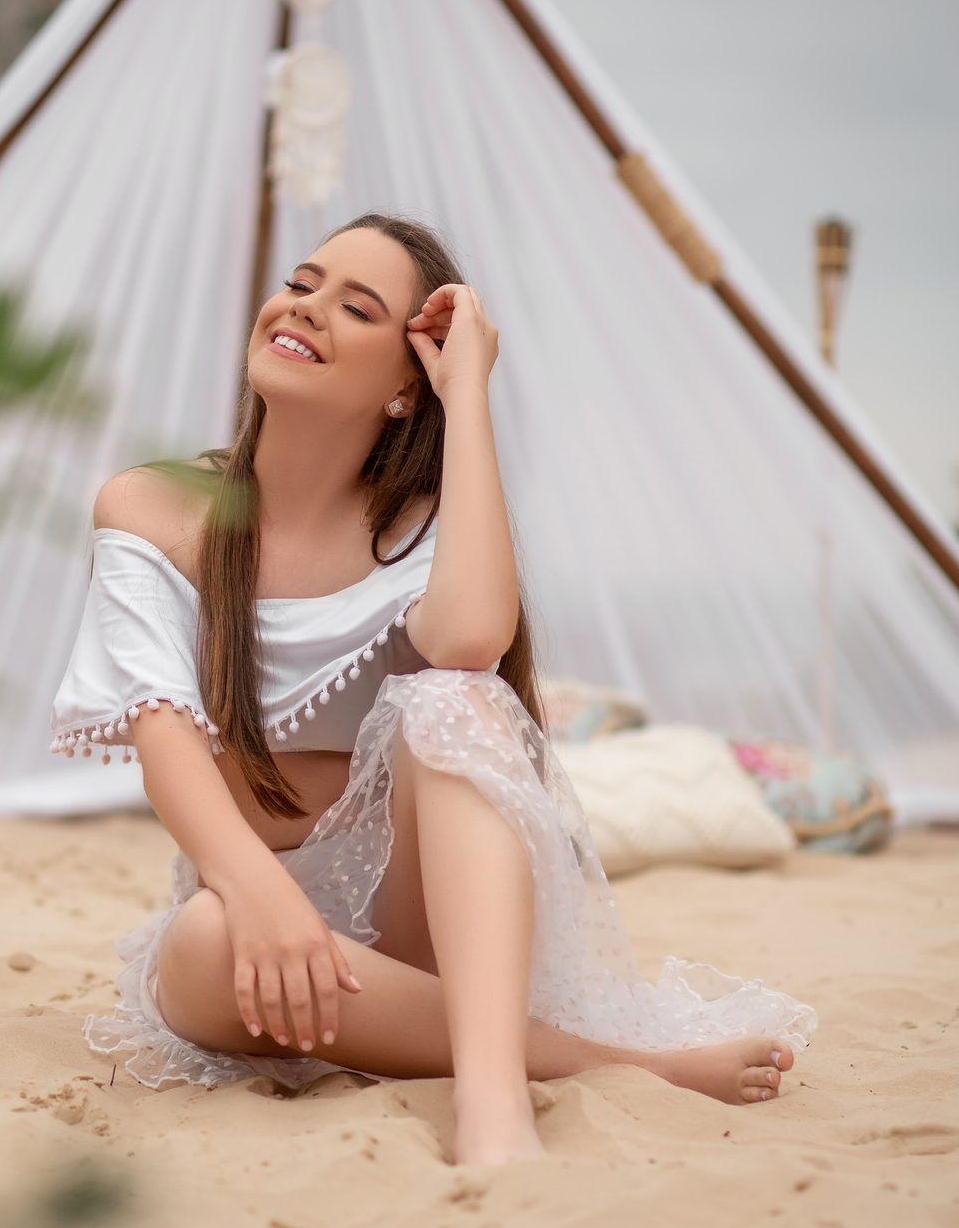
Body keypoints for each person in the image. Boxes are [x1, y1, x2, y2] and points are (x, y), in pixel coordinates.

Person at [53, 214, 814, 1166]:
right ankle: (609, 1063)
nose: (306, 307)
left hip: (432, 933)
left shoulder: (418, 534)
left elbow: (470, 638)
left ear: (406, 387)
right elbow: (161, 728)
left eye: (356, 307)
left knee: (452, 697)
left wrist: (470, 395)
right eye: (303, 281)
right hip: (250, 920)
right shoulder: (154, 508)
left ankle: (494, 1104)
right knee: (200, 947)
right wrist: (259, 891)